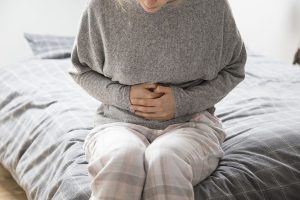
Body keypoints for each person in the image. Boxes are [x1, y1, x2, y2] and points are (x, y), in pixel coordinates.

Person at [68, 0, 247, 199]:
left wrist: (182, 102)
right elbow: (81, 70)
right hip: (118, 122)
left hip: (191, 124)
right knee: (121, 158)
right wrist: (124, 96)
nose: (150, 1)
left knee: (166, 158)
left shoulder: (213, 6)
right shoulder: (101, 6)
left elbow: (234, 69)